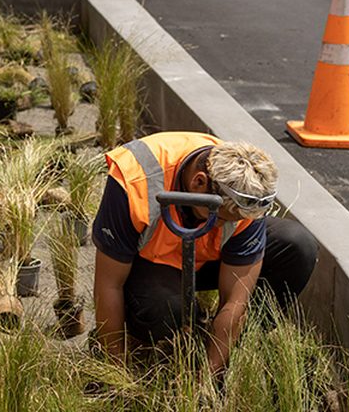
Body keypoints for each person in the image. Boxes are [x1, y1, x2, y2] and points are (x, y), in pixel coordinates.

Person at [91, 132, 318, 375]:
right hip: (149, 265)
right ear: (199, 183)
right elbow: (109, 284)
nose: (226, 225)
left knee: (297, 245)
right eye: (220, 219)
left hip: (207, 260)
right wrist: (116, 367)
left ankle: (233, 349)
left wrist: (207, 377)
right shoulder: (133, 178)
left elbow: (235, 300)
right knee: (164, 309)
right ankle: (152, 339)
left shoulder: (245, 191)